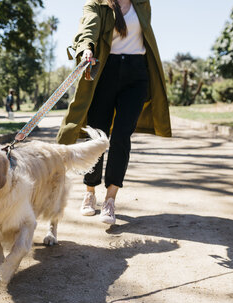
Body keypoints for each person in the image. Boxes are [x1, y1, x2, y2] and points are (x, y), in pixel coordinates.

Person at [56, 0, 171, 225]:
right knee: (98, 135)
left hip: (137, 75)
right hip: (105, 73)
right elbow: (88, 28)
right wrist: (86, 48)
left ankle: (110, 199)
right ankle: (90, 192)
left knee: (121, 136)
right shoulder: (96, 5)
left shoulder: (142, 4)